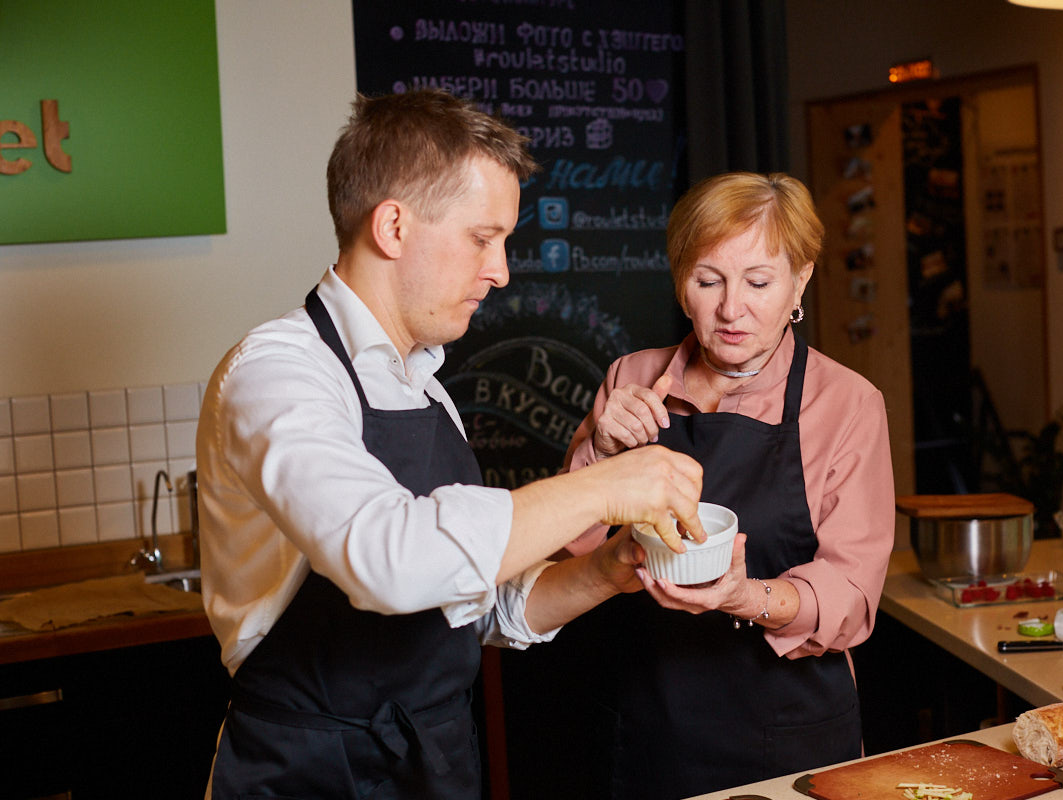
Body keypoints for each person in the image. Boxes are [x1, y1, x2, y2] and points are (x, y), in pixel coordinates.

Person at [195, 89, 706, 800]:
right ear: (394, 226)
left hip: (434, 765)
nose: (501, 270)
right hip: (306, 772)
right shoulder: (278, 372)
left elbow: (474, 603)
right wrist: (603, 487)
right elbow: (388, 560)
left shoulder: (426, 386)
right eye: (482, 238)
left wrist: (603, 572)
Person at [522, 171, 895, 799]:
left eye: (758, 282)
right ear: (680, 283)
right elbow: (566, 556)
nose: (730, 309)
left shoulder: (847, 403)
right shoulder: (632, 379)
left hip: (789, 733)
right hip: (646, 726)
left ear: (800, 280)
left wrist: (742, 596)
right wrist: (600, 454)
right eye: (708, 280)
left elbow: (853, 597)